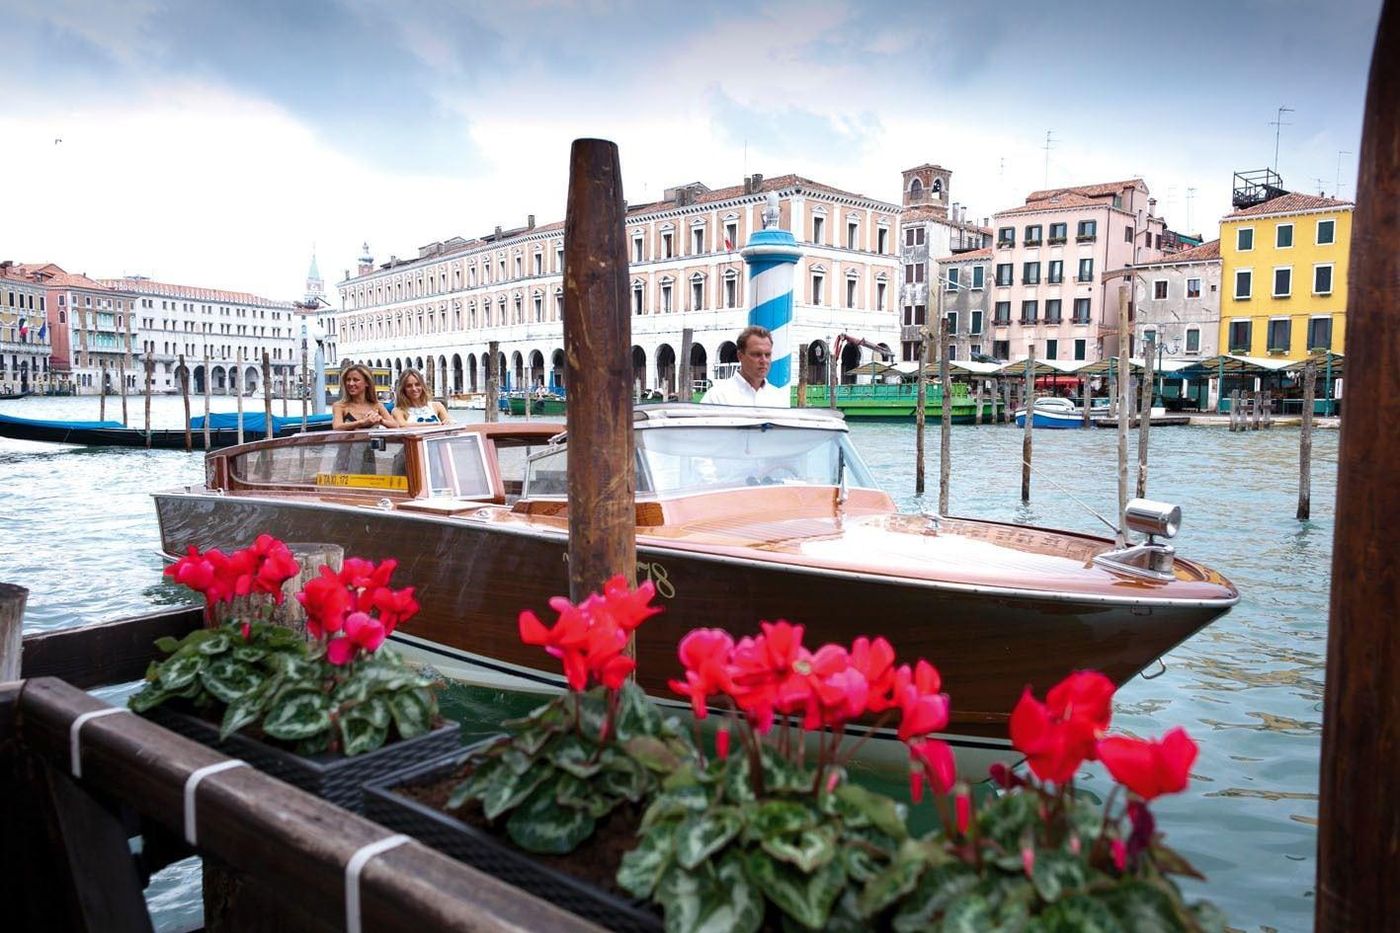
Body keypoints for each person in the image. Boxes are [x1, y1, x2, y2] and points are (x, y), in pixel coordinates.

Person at [700, 325, 790, 407]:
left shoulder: (778, 399)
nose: (764, 360)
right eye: (756, 354)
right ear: (740, 356)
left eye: (767, 355)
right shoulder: (717, 397)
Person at [332, 363, 393, 430]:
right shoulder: (339, 406)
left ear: (367, 383)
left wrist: (381, 420)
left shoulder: (377, 406)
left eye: (356, 380)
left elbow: (395, 425)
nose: (351, 383)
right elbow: (337, 427)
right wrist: (362, 422)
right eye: (348, 380)